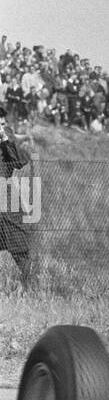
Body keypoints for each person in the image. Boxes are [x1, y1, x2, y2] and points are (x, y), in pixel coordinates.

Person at [0, 108, 32, 284]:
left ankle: (29, 286)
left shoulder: (7, 142)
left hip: (5, 201)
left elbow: (20, 162)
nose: (1, 127)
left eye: (3, 123)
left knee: (20, 247)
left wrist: (6, 140)